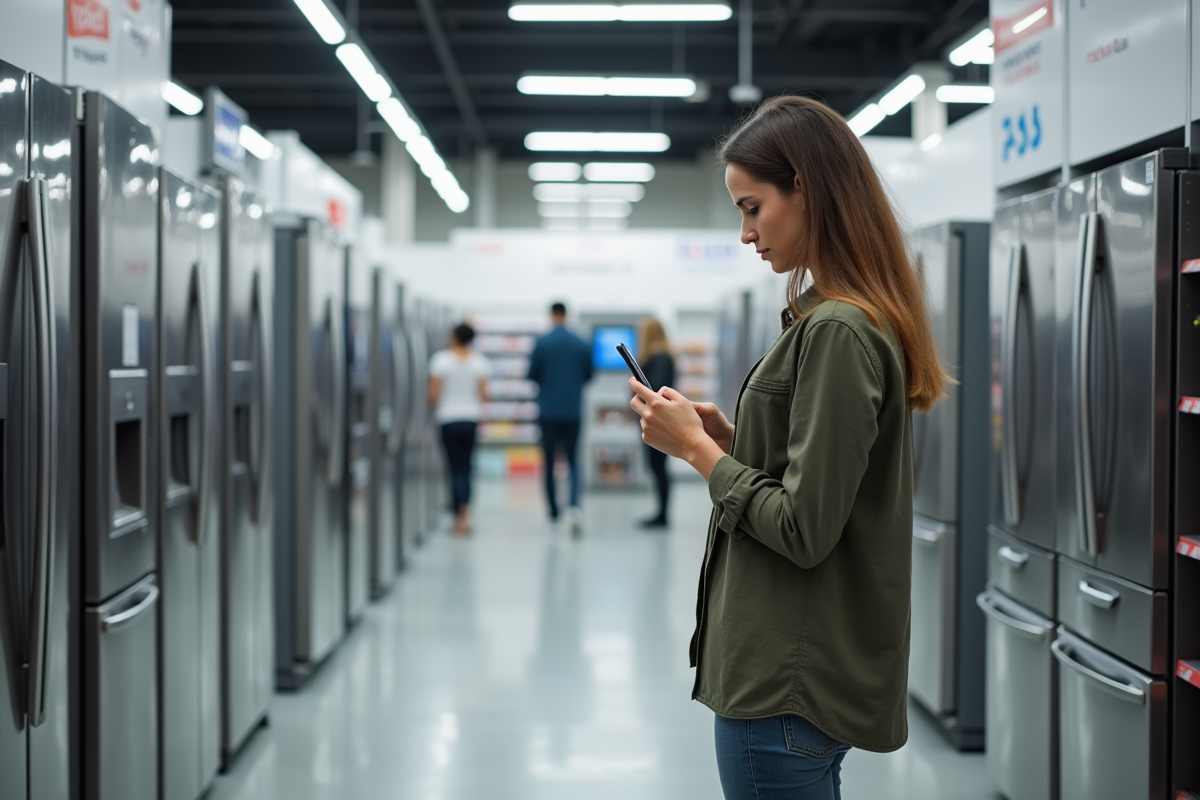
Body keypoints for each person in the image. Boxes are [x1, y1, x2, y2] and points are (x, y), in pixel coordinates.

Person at [628, 95, 947, 800]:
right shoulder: (845, 319)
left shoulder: (837, 329)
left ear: (804, 186)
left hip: (782, 687)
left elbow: (804, 529)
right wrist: (734, 442)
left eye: (752, 207)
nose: (746, 233)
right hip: (799, 675)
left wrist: (699, 457)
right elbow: (829, 478)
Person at [527, 302, 594, 534]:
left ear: (551, 314)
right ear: (566, 314)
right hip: (573, 411)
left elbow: (532, 374)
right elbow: (588, 375)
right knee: (573, 461)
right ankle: (574, 507)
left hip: (547, 411)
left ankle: (554, 511)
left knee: (549, 462)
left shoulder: (541, 342)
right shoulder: (581, 342)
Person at [428, 322, 490, 535]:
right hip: (471, 419)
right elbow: (484, 395)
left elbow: (433, 395)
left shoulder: (441, 361)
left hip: (448, 420)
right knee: (467, 467)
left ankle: (458, 516)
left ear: (454, 337)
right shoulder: (479, 362)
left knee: (454, 468)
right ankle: (465, 515)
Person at [637, 317, 676, 529]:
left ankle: (662, 514)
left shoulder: (659, 358)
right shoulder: (662, 356)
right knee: (657, 466)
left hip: (660, 421)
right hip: (659, 420)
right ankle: (661, 512)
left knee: (658, 466)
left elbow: (655, 390)